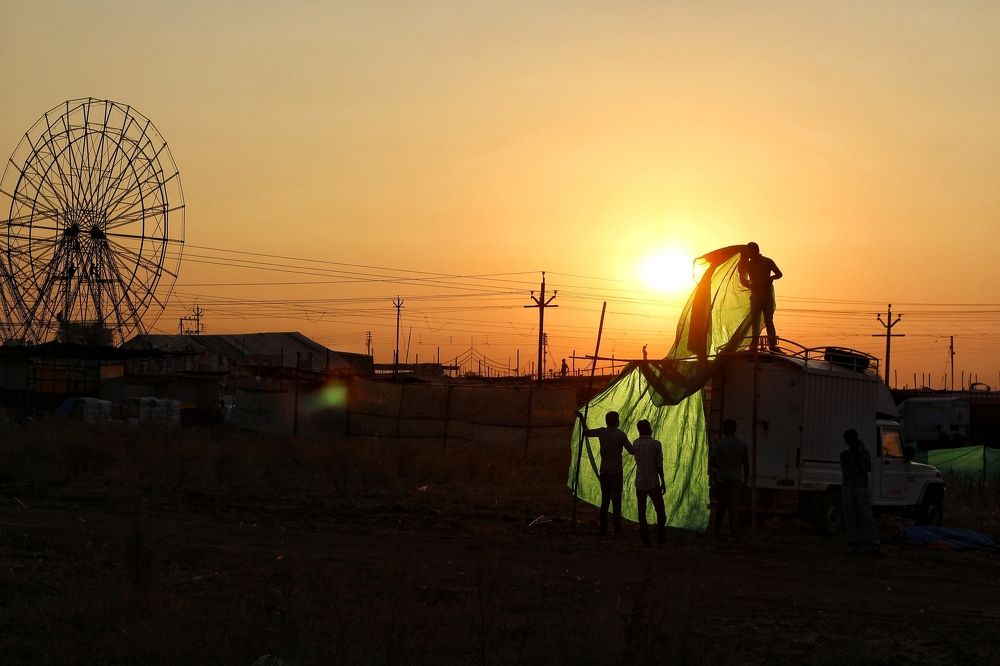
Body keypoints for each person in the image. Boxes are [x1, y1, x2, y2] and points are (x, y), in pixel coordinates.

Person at [576, 410, 634, 535]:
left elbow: (586, 432)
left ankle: (603, 528)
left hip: (605, 471)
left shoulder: (602, 432)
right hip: (616, 472)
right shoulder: (621, 435)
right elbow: (632, 451)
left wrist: (582, 418)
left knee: (605, 500)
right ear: (616, 421)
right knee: (616, 501)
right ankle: (617, 528)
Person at [840, 428, 881, 555]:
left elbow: (866, 467)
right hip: (852, 487)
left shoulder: (862, 453)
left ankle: (871, 544)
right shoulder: (845, 455)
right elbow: (850, 471)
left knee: (864, 517)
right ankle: (860, 543)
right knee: (852, 517)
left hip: (857, 487)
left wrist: (861, 453)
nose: (851, 441)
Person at [739, 241, 782, 352]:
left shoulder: (767, 261)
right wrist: (748, 284)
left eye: (750, 252)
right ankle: (754, 345)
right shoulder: (747, 264)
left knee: (768, 320)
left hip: (767, 296)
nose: (749, 255)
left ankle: (772, 345)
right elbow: (742, 277)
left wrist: (770, 278)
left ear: (756, 250)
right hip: (755, 296)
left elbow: (779, 274)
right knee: (755, 321)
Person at [710, 419, 749, 538]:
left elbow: (712, 461)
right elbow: (746, 463)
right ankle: (734, 530)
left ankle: (717, 530)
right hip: (736, 478)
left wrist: (718, 469)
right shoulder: (742, 444)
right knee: (733, 506)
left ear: (725, 429)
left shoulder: (720, 444)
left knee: (721, 506)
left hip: (722, 478)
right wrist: (745, 480)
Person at [631, 419, 667, 545]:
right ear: (649, 429)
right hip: (653, 482)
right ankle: (661, 537)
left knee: (642, 512)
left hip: (640, 482)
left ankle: (645, 538)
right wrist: (663, 481)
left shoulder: (635, 443)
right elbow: (659, 465)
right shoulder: (656, 444)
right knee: (660, 511)